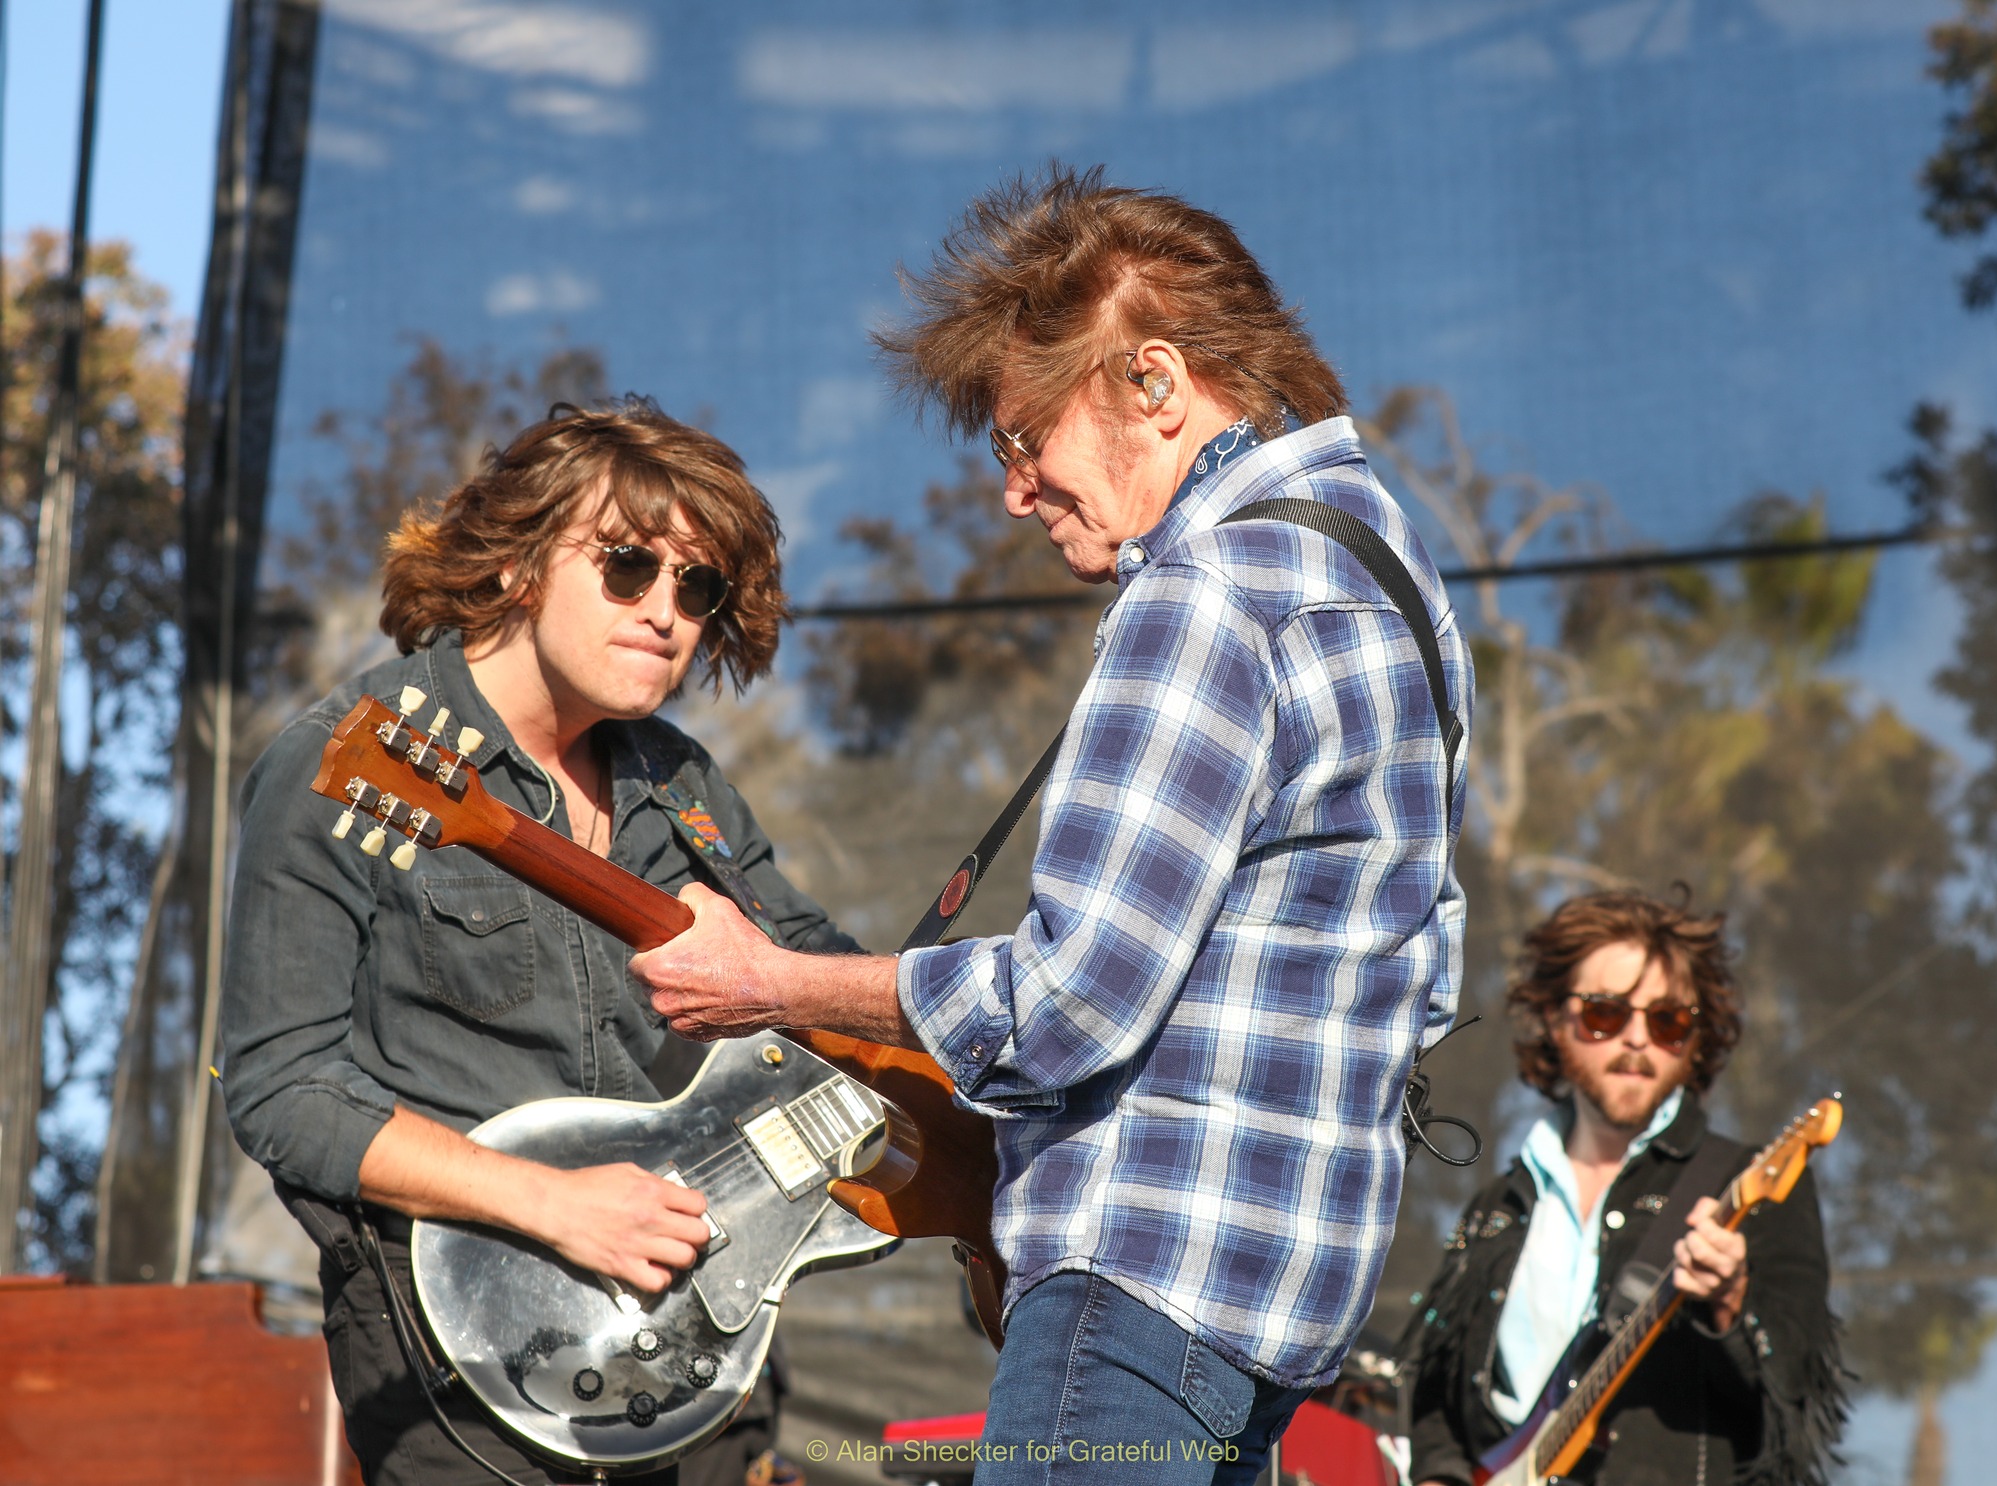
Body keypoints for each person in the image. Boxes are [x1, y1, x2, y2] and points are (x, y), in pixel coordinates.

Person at [628, 165, 1471, 1484]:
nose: (1015, 490)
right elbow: (1424, 973)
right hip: (1288, 1302)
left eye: (1026, 438)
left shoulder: (1203, 596)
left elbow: (1070, 1000)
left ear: (1156, 384)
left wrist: (770, 982)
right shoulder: (1394, 579)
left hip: (1134, 1294)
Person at [220, 402, 851, 1486]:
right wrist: (552, 1201)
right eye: (625, 567)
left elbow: (818, 995)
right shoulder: (353, 759)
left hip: (704, 1338)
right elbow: (279, 1087)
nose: (665, 611)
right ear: (517, 565)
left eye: (694, 588)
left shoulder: (680, 785)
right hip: (468, 1362)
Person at [1401, 889, 1846, 1486]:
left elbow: (1796, 1398)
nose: (1637, 1039)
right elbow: (1434, 1398)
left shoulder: (1741, 1183)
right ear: (1557, 1020)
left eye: (1667, 1020)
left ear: (1696, 1044)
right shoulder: (1499, 1207)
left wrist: (1729, 1305)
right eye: (1605, 1012)